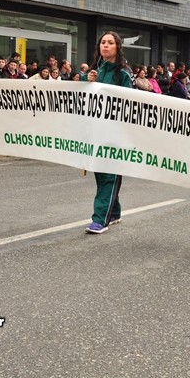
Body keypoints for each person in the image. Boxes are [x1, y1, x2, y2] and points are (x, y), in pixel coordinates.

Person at [82, 31, 133, 234]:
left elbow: (130, 104)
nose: (105, 45)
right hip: (96, 131)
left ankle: (100, 219)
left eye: (110, 43)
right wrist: (86, 79)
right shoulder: (95, 69)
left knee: (109, 175)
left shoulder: (124, 73)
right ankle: (114, 212)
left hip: (114, 134)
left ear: (117, 47)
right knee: (101, 174)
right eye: (103, 42)